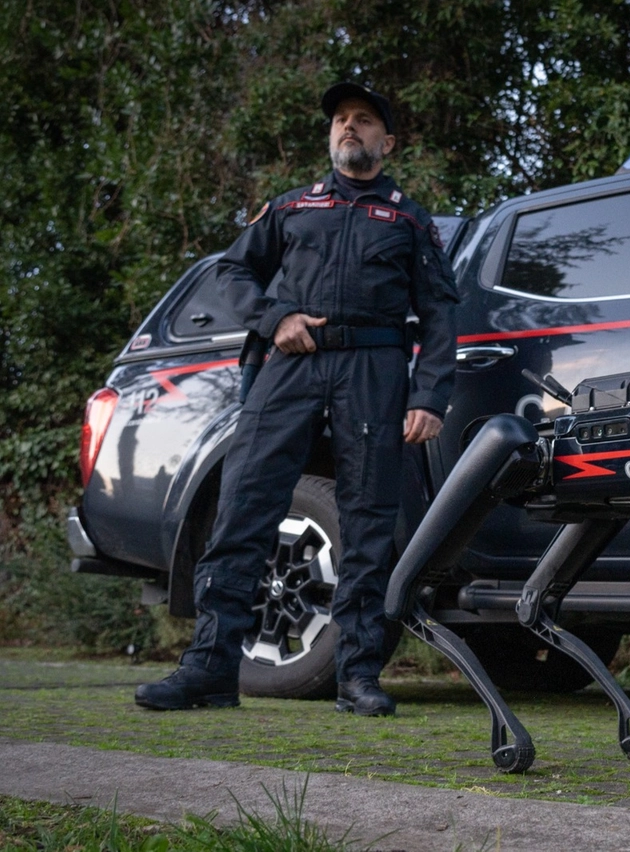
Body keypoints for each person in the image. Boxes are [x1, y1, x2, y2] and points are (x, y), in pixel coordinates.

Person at [136, 82, 457, 717]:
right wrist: (273, 317)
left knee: (367, 521)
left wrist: (430, 396)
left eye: (364, 121)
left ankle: (357, 675)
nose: (349, 129)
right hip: (291, 363)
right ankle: (209, 669)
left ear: (386, 143)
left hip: (374, 367)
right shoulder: (290, 208)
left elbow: (440, 311)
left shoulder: (410, 219)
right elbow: (232, 272)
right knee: (244, 507)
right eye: (340, 120)